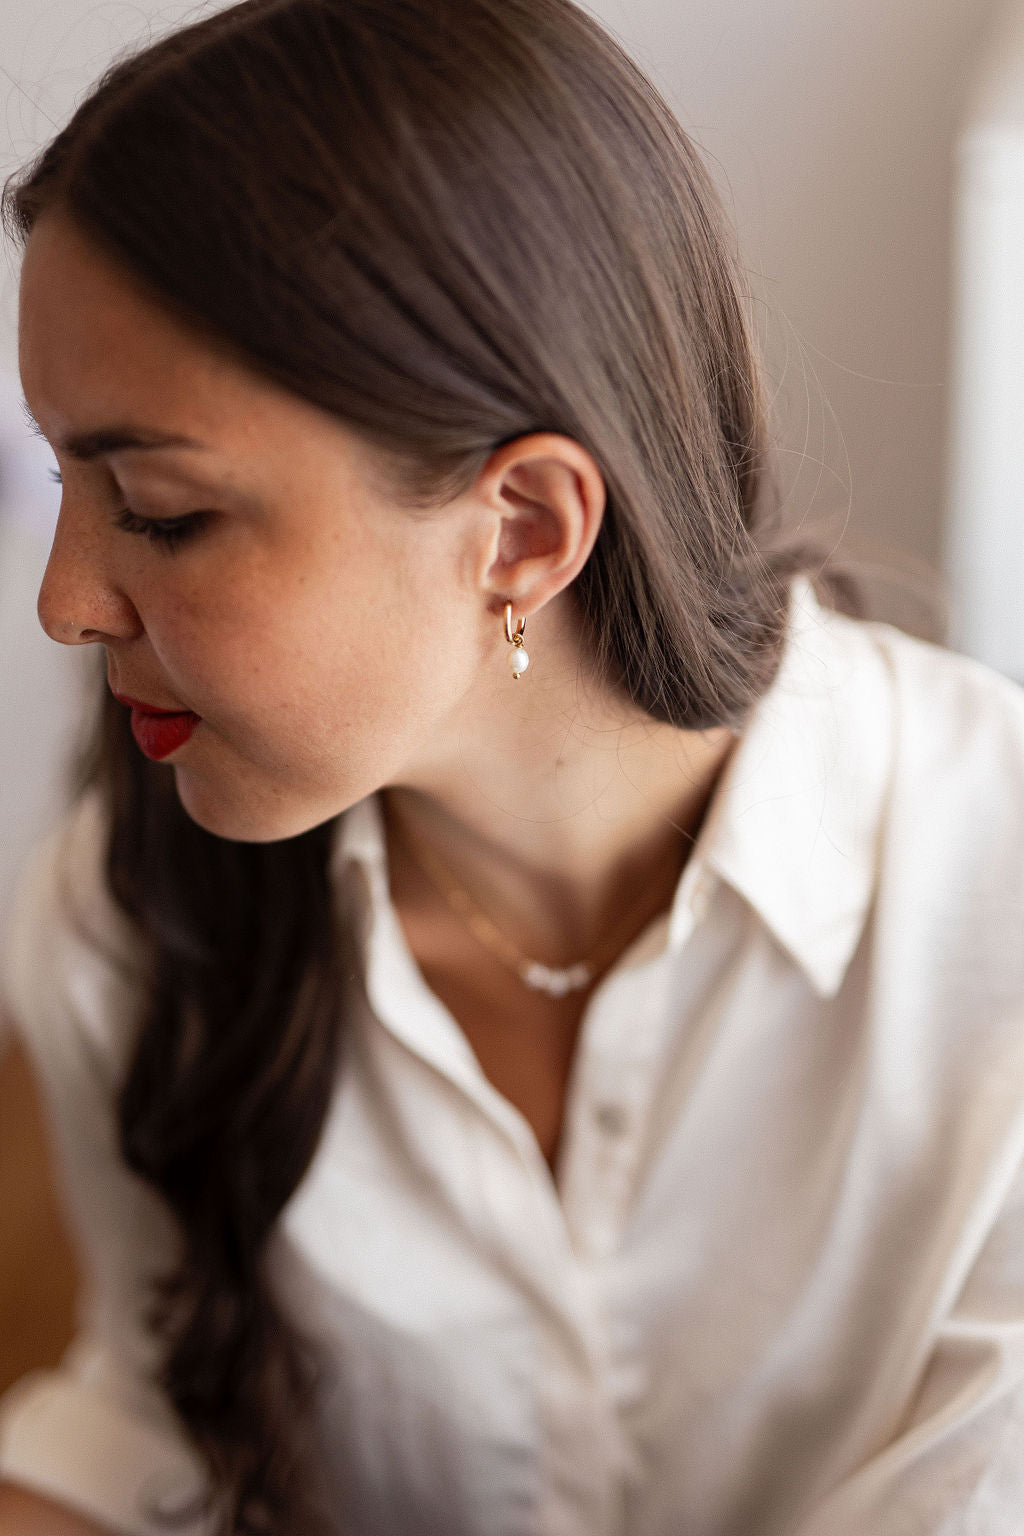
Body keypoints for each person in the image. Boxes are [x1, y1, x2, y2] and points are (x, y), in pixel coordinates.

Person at [1, 0, 1023, 1532]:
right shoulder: (134, 911)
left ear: (526, 529)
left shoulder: (992, 905)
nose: (63, 601)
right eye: (59, 476)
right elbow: (152, 1421)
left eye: (157, 508)